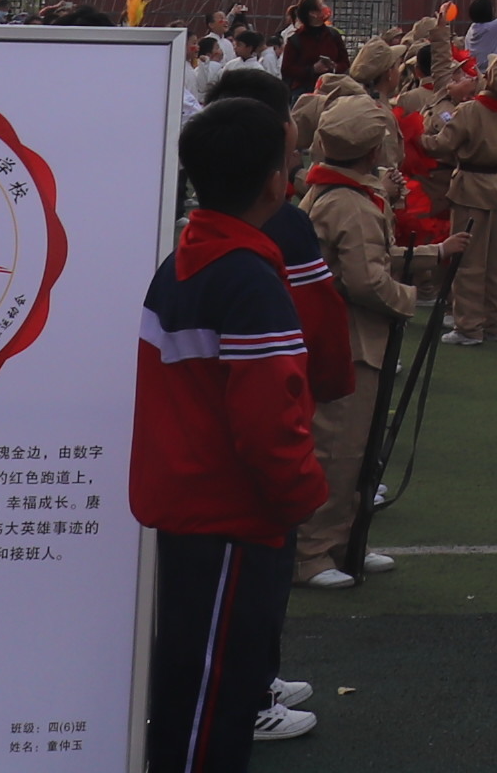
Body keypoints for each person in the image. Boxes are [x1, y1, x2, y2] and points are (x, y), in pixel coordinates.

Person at [134, 96, 324, 765]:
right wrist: (301, 493)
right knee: (215, 698)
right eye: (293, 160)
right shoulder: (246, 279)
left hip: (197, 504)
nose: (296, 172)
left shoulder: (192, 254)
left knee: (197, 684)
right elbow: (269, 421)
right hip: (233, 514)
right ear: (274, 180)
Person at [294, 91, 451, 590]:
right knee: (339, 449)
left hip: (343, 335)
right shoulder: (350, 205)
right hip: (351, 339)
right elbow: (367, 281)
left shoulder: (331, 192)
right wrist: (408, 297)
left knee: (356, 450)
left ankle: (345, 542)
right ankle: (312, 552)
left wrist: (433, 251)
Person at [434, 49, 497, 343]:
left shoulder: (470, 111)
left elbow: (443, 144)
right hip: (496, 185)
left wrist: (418, 135)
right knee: (495, 260)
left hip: (470, 185)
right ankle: (495, 322)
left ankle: (468, 325)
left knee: (468, 258)